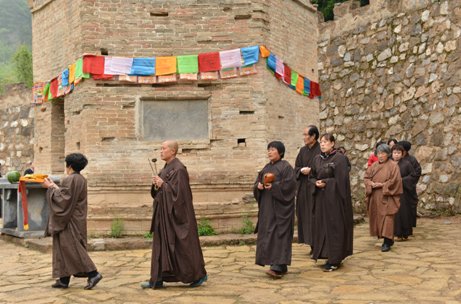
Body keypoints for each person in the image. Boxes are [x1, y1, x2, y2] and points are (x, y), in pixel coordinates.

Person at [141, 140, 207, 289]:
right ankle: (157, 279)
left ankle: (197, 275)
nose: (161, 151)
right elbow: (160, 192)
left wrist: (164, 185)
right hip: (163, 215)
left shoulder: (179, 169)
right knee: (160, 246)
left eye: (163, 148)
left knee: (182, 247)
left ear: (172, 151)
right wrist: (157, 184)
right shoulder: (166, 169)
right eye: (160, 148)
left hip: (177, 217)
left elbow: (182, 196)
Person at [42, 153, 102, 289]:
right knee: (64, 248)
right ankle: (63, 279)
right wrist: (55, 186)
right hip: (76, 217)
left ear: (69, 165)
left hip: (69, 220)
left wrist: (50, 188)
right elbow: (67, 195)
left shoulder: (70, 179)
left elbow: (64, 200)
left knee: (72, 247)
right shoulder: (80, 179)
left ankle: (93, 273)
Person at [309, 133, 353, 271]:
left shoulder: (340, 159)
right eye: (321, 142)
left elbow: (342, 181)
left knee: (334, 227)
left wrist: (326, 182)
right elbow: (311, 176)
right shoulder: (317, 159)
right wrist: (315, 183)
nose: (322, 144)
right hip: (321, 200)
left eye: (326, 142)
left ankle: (335, 259)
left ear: (333, 143)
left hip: (335, 201)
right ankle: (325, 254)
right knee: (322, 226)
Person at [254, 141, 296, 279]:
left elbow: (290, 187)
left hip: (281, 210)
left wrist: (275, 187)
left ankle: (277, 266)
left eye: (273, 149)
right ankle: (279, 265)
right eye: (268, 149)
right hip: (267, 209)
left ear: (280, 152)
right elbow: (257, 183)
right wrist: (258, 187)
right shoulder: (266, 168)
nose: (269, 152)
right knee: (268, 235)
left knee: (279, 235)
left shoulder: (286, 168)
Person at [364, 144, 403, 252]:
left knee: (387, 218)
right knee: (378, 217)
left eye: (383, 153)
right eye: (379, 153)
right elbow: (366, 177)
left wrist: (382, 185)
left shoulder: (393, 166)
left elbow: (395, 181)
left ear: (388, 154)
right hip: (375, 196)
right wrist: (370, 183)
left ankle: (387, 241)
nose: (380, 156)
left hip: (387, 196)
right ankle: (388, 239)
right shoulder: (374, 166)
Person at [294, 125, 321, 252]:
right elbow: (296, 168)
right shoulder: (303, 151)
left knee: (316, 216)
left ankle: (318, 244)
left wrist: (312, 171)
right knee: (305, 216)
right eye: (304, 135)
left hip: (316, 189)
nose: (304, 137)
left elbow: (325, 168)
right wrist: (301, 170)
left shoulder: (321, 149)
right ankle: (311, 243)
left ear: (313, 136)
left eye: (306, 135)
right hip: (304, 189)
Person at [392, 144, 418, 241]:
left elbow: (413, 176)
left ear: (402, 154)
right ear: (392, 153)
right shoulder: (389, 164)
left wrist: (402, 180)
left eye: (399, 153)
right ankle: (395, 232)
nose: (396, 155)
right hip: (391, 192)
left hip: (403, 192)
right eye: (395, 153)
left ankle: (405, 232)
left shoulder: (407, 164)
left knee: (403, 212)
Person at [398, 140, 421, 228]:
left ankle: (408, 227)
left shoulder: (412, 160)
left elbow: (416, 173)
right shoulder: (394, 159)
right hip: (395, 188)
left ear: (405, 150)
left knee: (409, 207)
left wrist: (403, 180)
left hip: (408, 188)